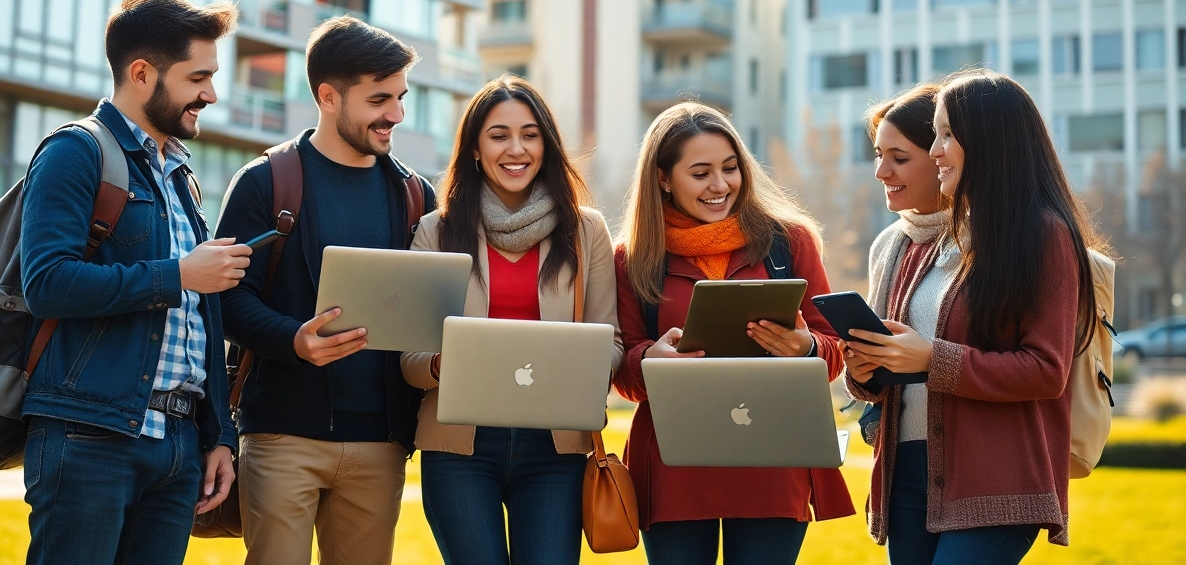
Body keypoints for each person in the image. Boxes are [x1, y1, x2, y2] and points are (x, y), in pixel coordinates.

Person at [19, 0, 244, 565]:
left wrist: (216, 436)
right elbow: (46, 282)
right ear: (142, 73)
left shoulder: (179, 176)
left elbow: (201, 316)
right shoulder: (75, 153)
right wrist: (178, 274)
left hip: (177, 445)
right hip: (90, 436)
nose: (210, 95)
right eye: (198, 78)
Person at [844, 70, 1102, 563]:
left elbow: (1047, 370)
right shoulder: (927, 240)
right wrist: (867, 372)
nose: (936, 149)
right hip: (907, 476)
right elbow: (898, 369)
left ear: (988, 140)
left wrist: (930, 358)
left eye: (946, 135)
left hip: (995, 477)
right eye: (935, 134)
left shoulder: (1043, 235)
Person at [215, 16, 436, 565]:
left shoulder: (415, 196)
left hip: (381, 444)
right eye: (380, 98)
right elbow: (223, 299)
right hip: (281, 437)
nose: (397, 115)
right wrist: (293, 340)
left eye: (401, 97)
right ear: (328, 96)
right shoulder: (264, 182)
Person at [613, 102, 854, 565]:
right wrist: (650, 359)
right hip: (675, 466)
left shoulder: (790, 242)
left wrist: (805, 348)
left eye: (730, 168)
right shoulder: (632, 257)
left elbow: (833, 350)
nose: (720, 185)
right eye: (700, 172)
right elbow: (624, 371)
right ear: (664, 178)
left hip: (773, 459)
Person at [400, 76, 622, 565]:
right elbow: (409, 361)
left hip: (556, 451)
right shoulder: (436, 231)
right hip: (459, 449)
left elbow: (613, 344)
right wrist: (443, 363)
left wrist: (574, 358)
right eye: (498, 135)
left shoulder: (587, 232)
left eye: (530, 134)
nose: (515, 148)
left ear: (546, 144)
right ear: (475, 149)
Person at [842, 84, 949, 447]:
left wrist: (931, 358)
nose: (881, 172)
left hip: (968, 460)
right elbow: (880, 383)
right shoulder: (887, 245)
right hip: (895, 458)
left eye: (899, 158)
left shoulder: (987, 242)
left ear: (943, 157)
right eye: (878, 155)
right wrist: (862, 371)